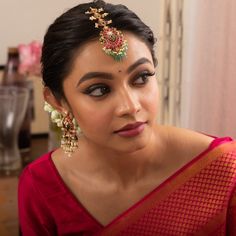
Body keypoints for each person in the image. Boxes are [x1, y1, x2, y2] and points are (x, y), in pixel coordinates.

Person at [18, 0, 236, 235]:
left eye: (141, 78)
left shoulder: (222, 169)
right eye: (99, 90)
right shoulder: (42, 187)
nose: (130, 106)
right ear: (57, 101)